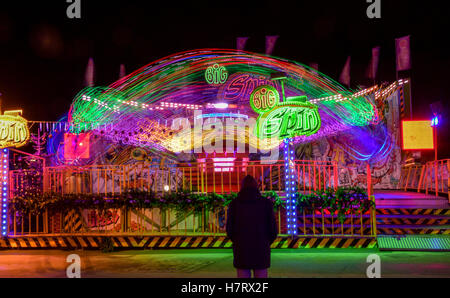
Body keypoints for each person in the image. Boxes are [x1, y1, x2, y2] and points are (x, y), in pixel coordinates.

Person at [226, 175, 278, 278]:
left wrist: (236, 240)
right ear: (256, 186)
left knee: (243, 274)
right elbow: (273, 229)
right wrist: (266, 241)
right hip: (261, 246)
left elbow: (229, 229)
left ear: (242, 186)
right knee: (261, 274)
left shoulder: (234, 204)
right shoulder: (266, 203)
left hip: (241, 246)